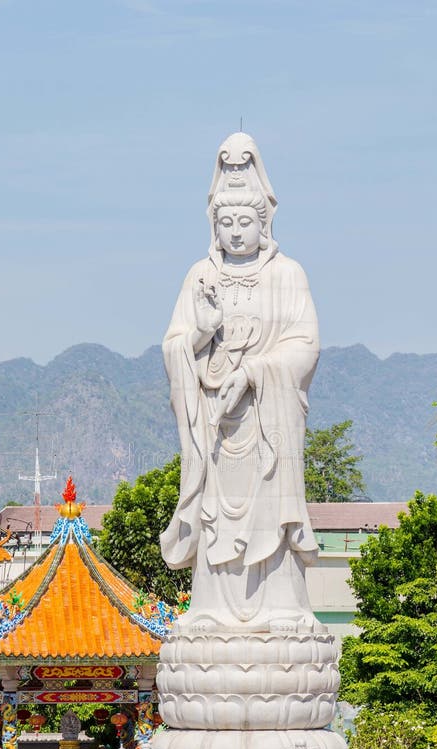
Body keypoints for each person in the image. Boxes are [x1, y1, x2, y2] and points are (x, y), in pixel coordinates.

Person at [160, 133, 320, 634]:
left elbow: (305, 344)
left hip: (266, 424)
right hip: (215, 428)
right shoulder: (197, 277)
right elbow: (174, 346)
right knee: (214, 517)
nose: (235, 233)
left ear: (264, 221)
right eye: (225, 222)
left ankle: (281, 609)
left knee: (269, 514)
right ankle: (210, 609)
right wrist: (204, 330)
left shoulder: (288, 275)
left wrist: (254, 372)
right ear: (214, 224)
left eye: (245, 222)